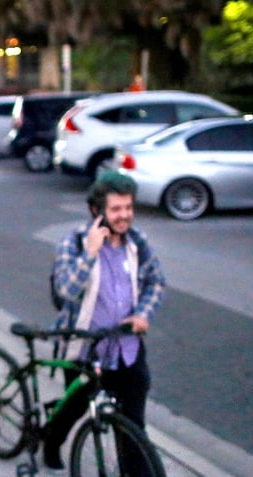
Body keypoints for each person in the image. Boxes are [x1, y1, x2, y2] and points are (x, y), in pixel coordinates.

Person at [44, 171, 165, 475]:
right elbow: (65, 290)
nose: (124, 215)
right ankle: (50, 441)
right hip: (85, 350)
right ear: (96, 211)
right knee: (73, 408)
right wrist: (90, 252)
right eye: (116, 209)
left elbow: (156, 281)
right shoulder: (73, 242)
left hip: (127, 348)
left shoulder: (137, 242)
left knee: (132, 423)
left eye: (128, 208)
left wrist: (142, 315)